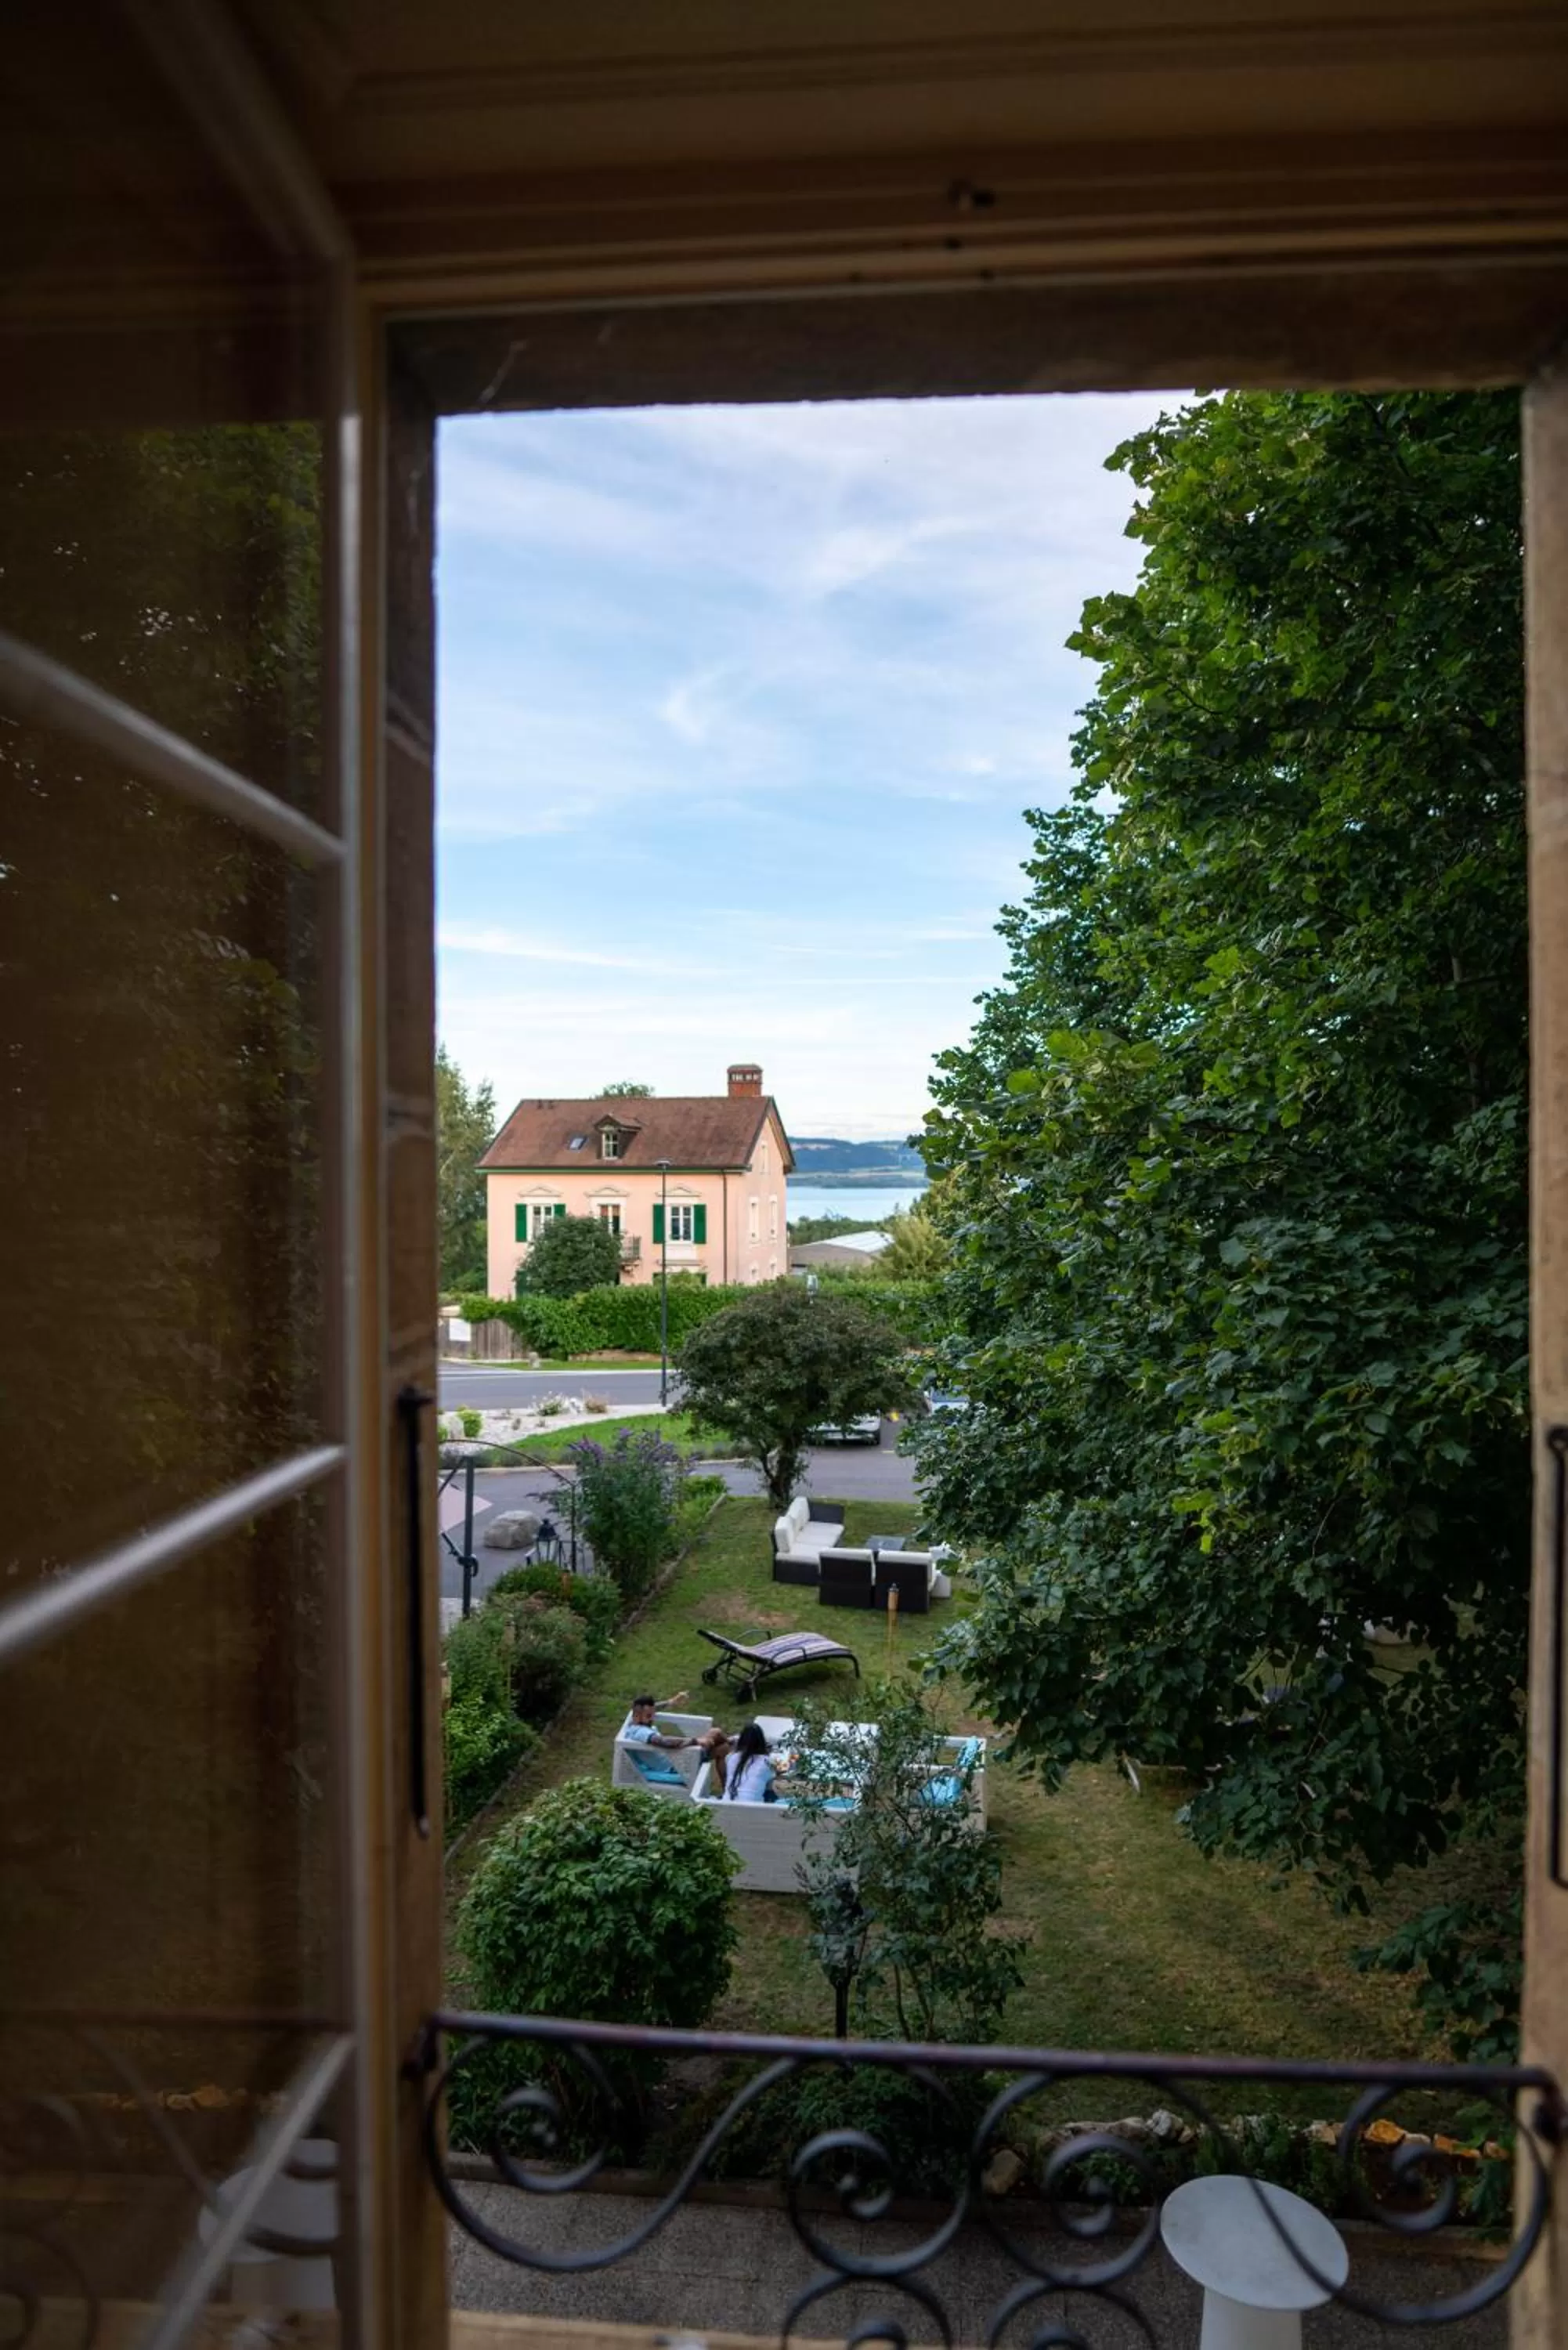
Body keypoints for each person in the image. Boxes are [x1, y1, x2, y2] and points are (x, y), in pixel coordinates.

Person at [623, 1691, 727, 1761]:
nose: (652, 1718)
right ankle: (735, 1746)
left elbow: (652, 1708)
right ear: (637, 1716)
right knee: (720, 1741)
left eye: (653, 1714)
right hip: (679, 1763)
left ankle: (735, 1746)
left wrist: (671, 1702)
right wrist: (696, 1741)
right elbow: (665, 1742)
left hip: (675, 1756)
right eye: (649, 1716)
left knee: (720, 1742)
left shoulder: (635, 1720)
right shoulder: (641, 1732)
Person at [724, 1721, 777, 1803]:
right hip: (754, 1810)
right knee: (770, 1789)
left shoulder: (730, 1757)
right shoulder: (768, 1761)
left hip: (726, 1804)